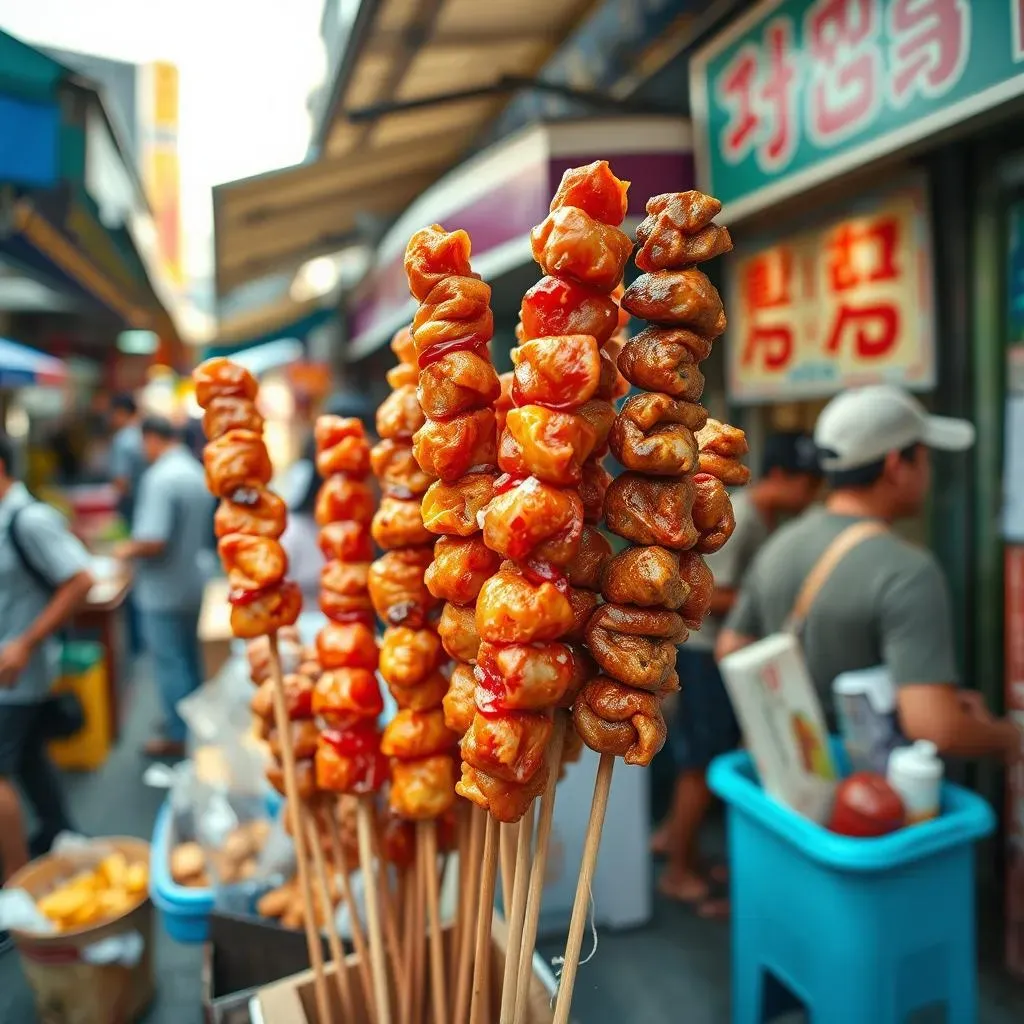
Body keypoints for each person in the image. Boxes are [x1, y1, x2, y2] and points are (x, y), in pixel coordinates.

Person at [718, 385, 1023, 763]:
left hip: (789, 777)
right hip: (869, 794)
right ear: (896, 466)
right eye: (924, 459)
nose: (928, 473)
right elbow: (934, 728)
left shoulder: (781, 543)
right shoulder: (908, 570)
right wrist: (1009, 738)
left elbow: (731, 647)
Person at [656, 432, 822, 912]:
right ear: (781, 477)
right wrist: (770, 603)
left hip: (723, 654)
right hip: (709, 654)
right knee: (701, 761)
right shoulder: (744, 515)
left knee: (704, 753)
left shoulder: (766, 519)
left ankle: (674, 842)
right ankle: (677, 872)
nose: (810, 496)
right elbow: (710, 594)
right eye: (806, 484)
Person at [0, 432, 93, 882]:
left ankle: (15, 889)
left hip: (17, 673)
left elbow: (79, 579)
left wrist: (24, 642)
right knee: (31, 759)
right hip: (14, 673)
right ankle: (60, 836)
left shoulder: (29, 519)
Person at [115, 417, 213, 758]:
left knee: (171, 664)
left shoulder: (160, 478)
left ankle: (180, 736)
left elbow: (153, 540)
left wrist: (124, 549)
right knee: (189, 661)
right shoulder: (193, 470)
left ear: (152, 438)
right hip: (192, 581)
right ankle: (194, 727)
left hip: (163, 590)